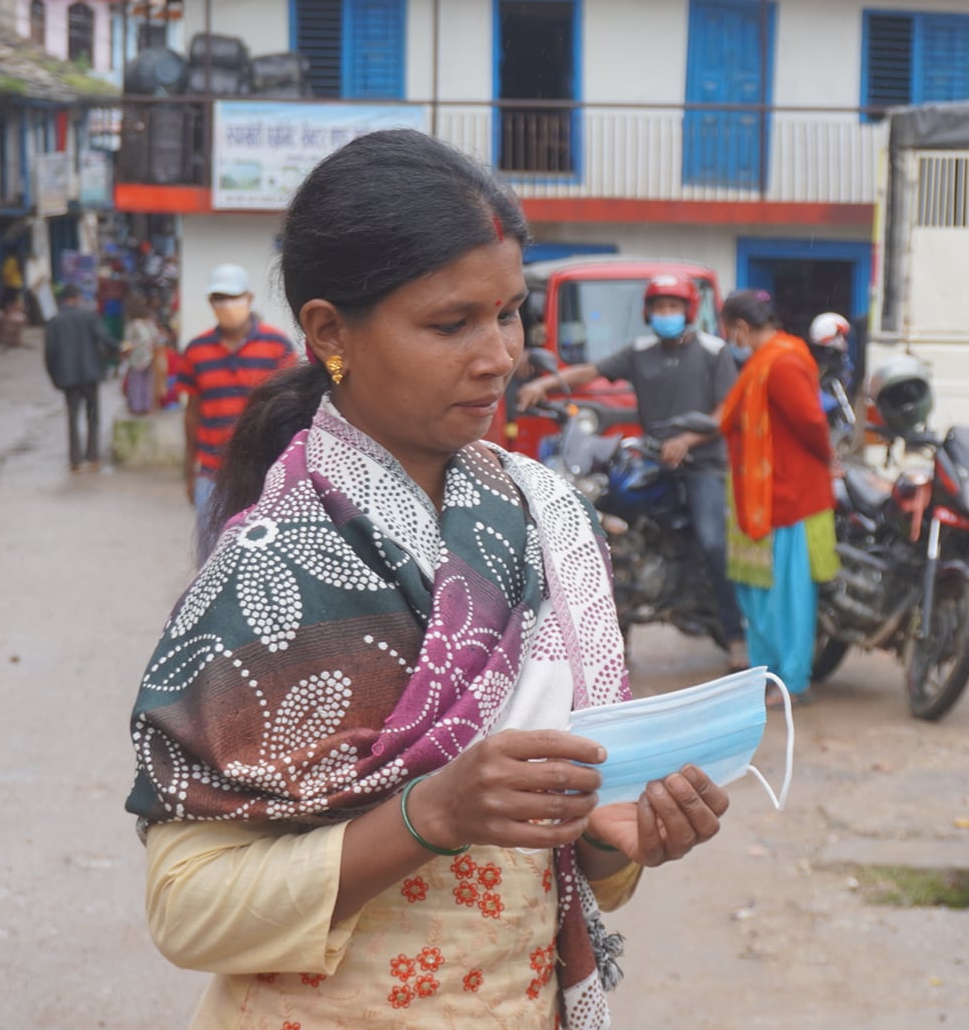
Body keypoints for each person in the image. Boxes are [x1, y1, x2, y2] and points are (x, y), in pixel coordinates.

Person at [127, 131, 730, 1029]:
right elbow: (187, 907)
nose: (499, 356)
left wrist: (617, 842)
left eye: (509, 312)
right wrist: (430, 812)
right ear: (330, 331)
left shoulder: (543, 525)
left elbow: (571, 859)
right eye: (451, 324)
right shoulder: (270, 570)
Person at [514, 273, 746, 669]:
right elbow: (590, 372)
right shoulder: (641, 351)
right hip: (654, 460)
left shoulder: (713, 351)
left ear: (688, 312)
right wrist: (546, 385)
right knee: (618, 536)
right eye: (659, 308)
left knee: (712, 542)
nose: (666, 314)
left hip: (702, 463)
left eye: (673, 307)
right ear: (648, 313)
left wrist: (687, 441)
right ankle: (617, 638)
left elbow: (728, 409)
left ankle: (735, 634)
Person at [716, 289, 838, 704]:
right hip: (768, 495)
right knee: (766, 596)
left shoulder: (781, 362)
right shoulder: (770, 359)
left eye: (728, 331)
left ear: (742, 328)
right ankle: (770, 675)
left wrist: (829, 458)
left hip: (788, 496)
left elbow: (811, 422)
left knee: (787, 599)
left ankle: (792, 681)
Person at [177, 262, 297, 561]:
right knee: (210, 555)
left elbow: (291, 410)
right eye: (219, 298)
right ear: (210, 303)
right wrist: (188, 470)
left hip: (262, 470)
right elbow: (192, 413)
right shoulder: (196, 350)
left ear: (249, 298)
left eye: (233, 297)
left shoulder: (277, 346)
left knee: (260, 555)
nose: (227, 305)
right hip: (211, 472)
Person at [44, 282, 118, 472]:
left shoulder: (55, 321)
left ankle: (75, 460)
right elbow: (106, 339)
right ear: (77, 298)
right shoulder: (89, 317)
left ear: (63, 301)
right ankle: (93, 457)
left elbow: (50, 353)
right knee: (93, 416)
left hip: (68, 377)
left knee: (72, 417)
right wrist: (116, 352)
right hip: (91, 374)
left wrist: (55, 378)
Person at [121, 295, 162, 416]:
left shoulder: (132, 324)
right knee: (147, 382)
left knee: (136, 382)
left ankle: (136, 406)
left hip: (136, 357)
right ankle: (146, 406)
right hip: (150, 356)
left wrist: (123, 352)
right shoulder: (149, 322)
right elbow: (156, 337)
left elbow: (127, 342)